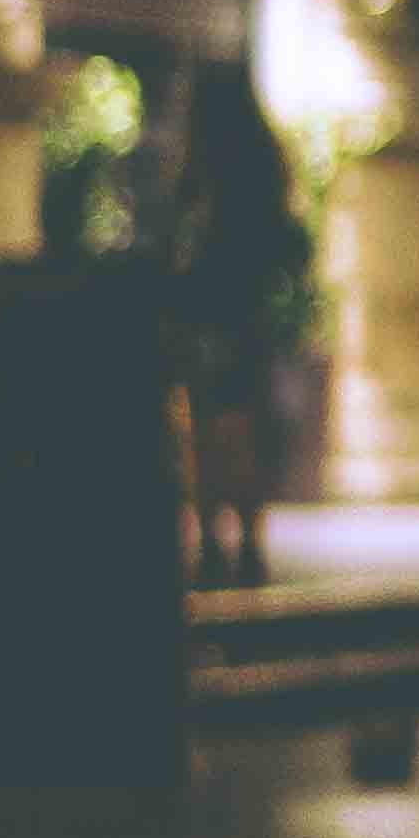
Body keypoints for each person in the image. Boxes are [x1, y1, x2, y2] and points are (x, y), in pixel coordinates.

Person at [165, 83, 317, 590]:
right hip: (249, 324)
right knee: (245, 434)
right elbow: (294, 249)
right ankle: (249, 543)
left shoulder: (202, 188)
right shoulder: (262, 183)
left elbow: (180, 258)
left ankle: (213, 543)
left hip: (210, 324)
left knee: (209, 437)